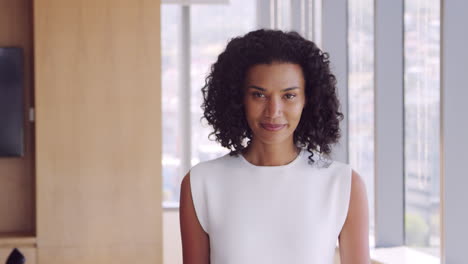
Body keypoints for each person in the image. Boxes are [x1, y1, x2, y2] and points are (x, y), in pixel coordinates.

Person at [179, 29, 370, 264]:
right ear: (239, 98)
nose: (273, 111)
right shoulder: (201, 183)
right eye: (259, 95)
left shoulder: (343, 184)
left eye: (288, 96)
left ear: (307, 100)